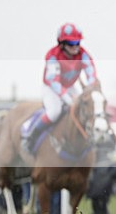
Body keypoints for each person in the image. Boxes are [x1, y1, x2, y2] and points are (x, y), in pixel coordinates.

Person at [23, 23, 98, 155]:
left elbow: (91, 73)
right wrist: (68, 99)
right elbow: (53, 81)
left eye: (77, 42)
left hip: (69, 86)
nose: (75, 46)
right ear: (62, 44)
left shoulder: (83, 54)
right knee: (55, 111)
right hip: (51, 88)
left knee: (83, 109)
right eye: (71, 43)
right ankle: (31, 137)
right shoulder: (53, 55)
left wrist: (90, 89)